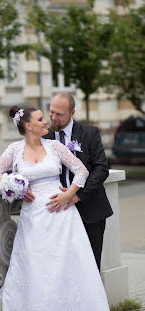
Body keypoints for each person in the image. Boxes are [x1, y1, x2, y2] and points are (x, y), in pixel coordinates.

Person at [0, 105, 115, 311]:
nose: (46, 122)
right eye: (40, 119)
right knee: (38, 269)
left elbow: (81, 170)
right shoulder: (14, 150)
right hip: (33, 220)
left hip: (62, 216)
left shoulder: (54, 147)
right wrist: (13, 184)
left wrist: (70, 195)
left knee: (67, 267)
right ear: (28, 125)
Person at [42, 93, 113, 271]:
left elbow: (101, 168)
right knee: (63, 267)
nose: (53, 117)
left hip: (90, 209)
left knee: (90, 265)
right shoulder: (44, 136)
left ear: (72, 112)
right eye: (51, 112)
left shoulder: (89, 133)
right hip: (58, 212)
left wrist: (77, 196)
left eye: (59, 114)